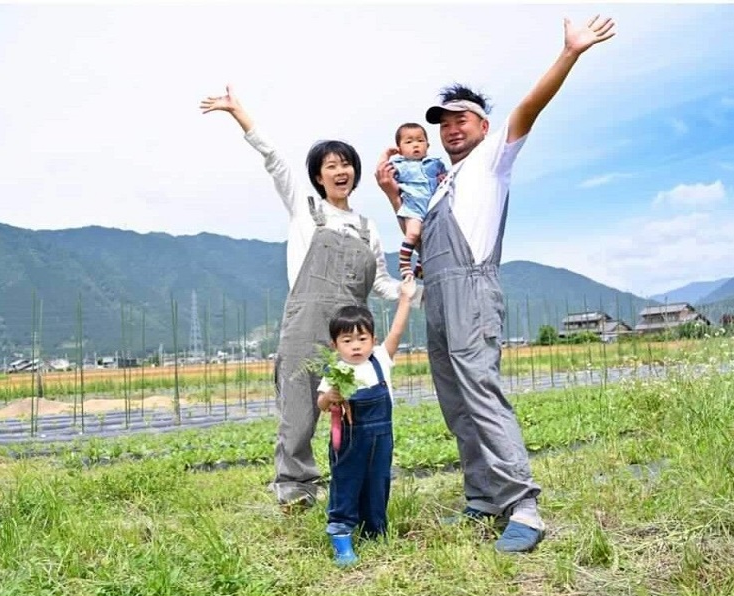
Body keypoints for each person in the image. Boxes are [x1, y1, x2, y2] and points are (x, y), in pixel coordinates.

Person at [374, 15, 616, 553]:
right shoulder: (440, 184)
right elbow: (414, 234)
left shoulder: (492, 161)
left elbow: (529, 107)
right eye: (444, 123)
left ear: (483, 127)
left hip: (473, 290)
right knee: (455, 399)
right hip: (439, 293)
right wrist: (394, 196)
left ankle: (524, 507)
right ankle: (483, 498)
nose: (452, 128)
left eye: (462, 119)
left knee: (480, 391)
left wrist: (570, 53)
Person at [200, 85, 417, 509]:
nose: (340, 171)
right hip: (306, 325)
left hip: (353, 334)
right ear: (319, 176)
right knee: (298, 412)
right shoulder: (305, 209)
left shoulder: (366, 227)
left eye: (346, 165)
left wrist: (413, 291)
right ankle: (295, 490)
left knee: (358, 409)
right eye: (330, 166)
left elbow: (382, 284)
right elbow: (275, 161)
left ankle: (354, 484)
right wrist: (239, 113)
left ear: (354, 172)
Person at [316, 275, 417, 566]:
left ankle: (375, 530)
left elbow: (397, 330)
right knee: (346, 485)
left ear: (373, 340)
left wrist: (405, 298)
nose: (356, 346)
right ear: (335, 345)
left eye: (362, 339)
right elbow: (321, 404)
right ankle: (341, 536)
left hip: (381, 438)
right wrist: (331, 396)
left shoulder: (381, 360)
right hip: (349, 441)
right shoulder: (335, 370)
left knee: (378, 483)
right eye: (347, 341)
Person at [389, 123, 447, 279]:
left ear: (427, 145)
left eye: (420, 141)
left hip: (432, 209)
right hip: (413, 207)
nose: (415, 145)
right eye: (409, 142)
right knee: (413, 233)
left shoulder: (435, 163)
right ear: (399, 149)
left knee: (430, 238)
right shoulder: (399, 166)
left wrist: (442, 177)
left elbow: (446, 177)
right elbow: (382, 173)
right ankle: (405, 264)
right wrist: (386, 155)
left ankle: (421, 266)